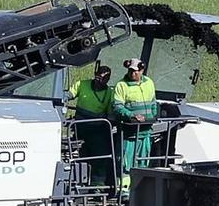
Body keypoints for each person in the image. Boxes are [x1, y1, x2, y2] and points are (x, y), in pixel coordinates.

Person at [111, 57, 161, 191]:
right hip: (129, 133)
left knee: (143, 161)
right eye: (130, 71)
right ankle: (124, 190)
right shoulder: (121, 85)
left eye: (135, 71)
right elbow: (117, 107)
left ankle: (140, 189)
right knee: (125, 162)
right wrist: (131, 115)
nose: (132, 73)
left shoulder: (149, 83)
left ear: (142, 70)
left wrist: (154, 115)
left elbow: (153, 102)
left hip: (145, 131)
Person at [67, 64, 116, 189]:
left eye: (104, 79)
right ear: (95, 75)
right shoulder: (82, 84)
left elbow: (110, 114)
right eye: (99, 77)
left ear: (108, 79)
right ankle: (78, 182)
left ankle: (97, 185)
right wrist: (63, 99)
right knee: (81, 154)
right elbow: (69, 95)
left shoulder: (109, 93)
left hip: (98, 128)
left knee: (100, 154)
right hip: (80, 127)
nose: (100, 81)